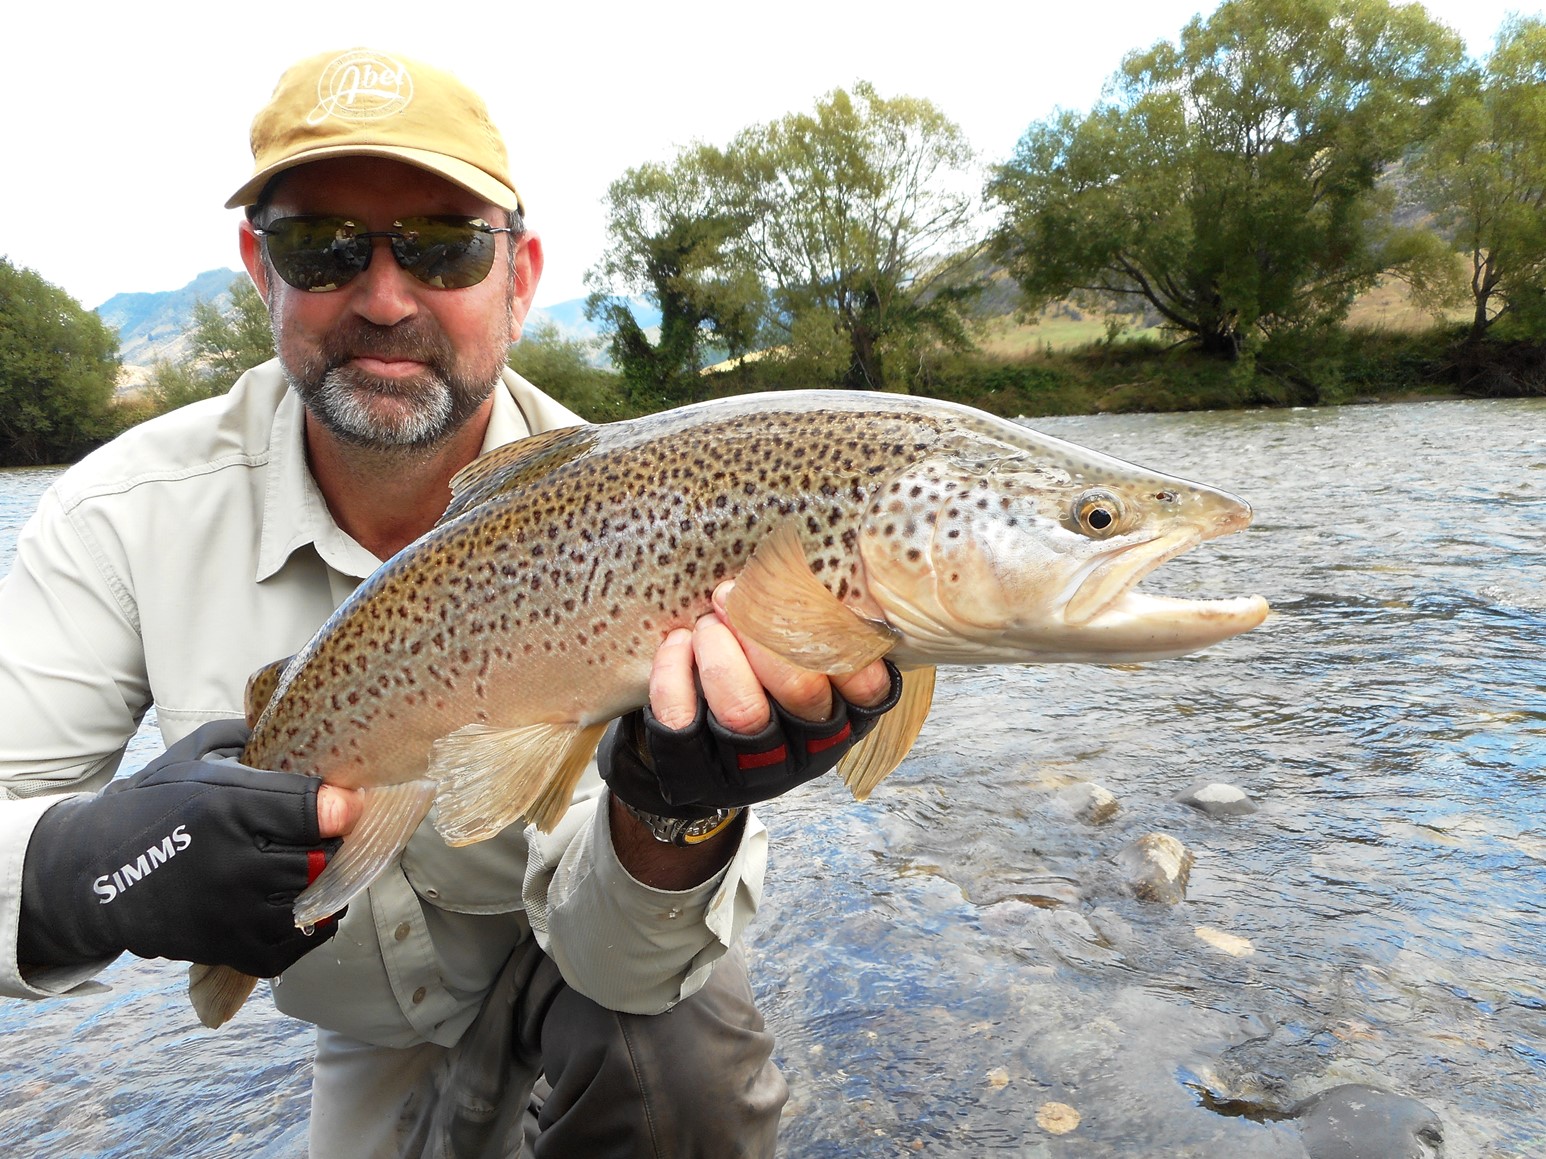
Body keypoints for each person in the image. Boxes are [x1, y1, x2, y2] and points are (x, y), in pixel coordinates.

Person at [0, 48, 899, 1157]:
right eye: (321, 246)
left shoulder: (653, 502)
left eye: (443, 245)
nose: (384, 298)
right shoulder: (118, 515)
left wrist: (669, 815)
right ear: (257, 270)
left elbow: (626, 966)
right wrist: (83, 869)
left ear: (518, 279)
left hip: (586, 973)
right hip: (366, 1035)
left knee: (687, 1045)